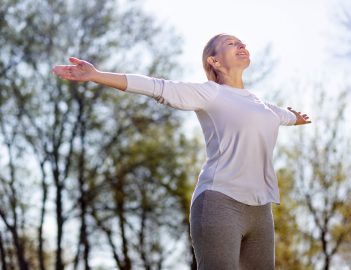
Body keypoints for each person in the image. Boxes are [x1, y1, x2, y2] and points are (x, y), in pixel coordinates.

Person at [52, 33, 311, 270]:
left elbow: (284, 116)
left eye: (241, 42)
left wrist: (295, 117)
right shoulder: (210, 93)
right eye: (231, 43)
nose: (241, 44)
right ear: (215, 62)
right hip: (220, 202)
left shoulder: (263, 105)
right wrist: (96, 75)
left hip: (261, 210)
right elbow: (157, 87)